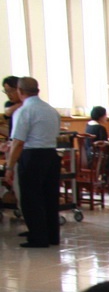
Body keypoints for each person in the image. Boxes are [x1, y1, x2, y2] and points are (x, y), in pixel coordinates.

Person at [3, 78, 64, 249]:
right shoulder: (51, 110)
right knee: (50, 197)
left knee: (32, 198)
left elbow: (18, 142)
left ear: (20, 91)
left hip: (32, 157)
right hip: (51, 155)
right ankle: (52, 235)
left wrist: (9, 166)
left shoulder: (24, 111)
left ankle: (38, 237)